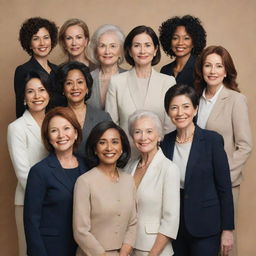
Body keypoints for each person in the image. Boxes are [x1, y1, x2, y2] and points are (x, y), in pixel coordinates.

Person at [161, 84, 234, 256]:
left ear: (195, 109)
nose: (180, 113)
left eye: (186, 107)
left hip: (206, 226)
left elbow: (224, 188)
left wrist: (228, 230)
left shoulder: (212, 141)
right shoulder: (165, 144)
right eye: (174, 108)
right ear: (168, 112)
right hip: (175, 228)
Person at [194, 45, 253, 256]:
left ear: (226, 70)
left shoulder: (236, 100)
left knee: (225, 244)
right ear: (201, 69)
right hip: (197, 183)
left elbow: (245, 145)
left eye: (219, 66)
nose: (213, 71)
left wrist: (222, 176)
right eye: (208, 65)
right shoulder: (194, 100)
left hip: (224, 183)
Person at [24, 107, 88, 256]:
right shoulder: (39, 172)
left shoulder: (87, 166)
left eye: (66, 128)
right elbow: (31, 222)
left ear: (76, 132)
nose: (61, 135)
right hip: (52, 249)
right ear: (48, 137)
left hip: (84, 249)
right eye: (54, 131)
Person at [106, 25, 176, 152]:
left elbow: (170, 127)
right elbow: (112, 126)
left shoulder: (168, 82)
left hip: (159, 155)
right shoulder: (116, 82)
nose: (142, 51)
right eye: (137, 45)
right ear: (130, 51)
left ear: (155, 50)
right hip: (126, 157)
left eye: (148, 45)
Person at [73, 120, 137, 256]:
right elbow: (80, 231)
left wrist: (124, 252)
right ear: (95, 149)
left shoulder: (128, 180)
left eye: (115, 142)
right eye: (102, 142)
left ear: (122, 148)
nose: (109, 148)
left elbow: (133, 223)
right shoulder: (84, 182)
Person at [7, 71, 50, 256]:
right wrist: (49, 197)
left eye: (41, 90)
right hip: (29, 201)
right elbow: (23, 172)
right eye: (30, 91)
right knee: (30, 251)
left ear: (49, 93)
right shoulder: (16, 127)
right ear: (24, 97)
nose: (37, 96)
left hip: (56, 201)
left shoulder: (55, 122)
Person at [126, 110, 180, 256]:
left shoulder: (169, 169)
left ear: (159, 136)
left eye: (149, 131)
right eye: (138, 132)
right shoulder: (129, 167)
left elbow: (171, 220)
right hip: (128, 246)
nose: (143, 137)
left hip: (155, 250)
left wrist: (153, 254)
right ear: (132, 136)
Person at [56, 61, 111, 157]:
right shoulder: (56, 118)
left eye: (80, 82)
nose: (75, 87)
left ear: (87, 88)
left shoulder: (102, 118)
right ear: (63, 89)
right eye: (69, 83)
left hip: (96, 170)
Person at [14, 17, 63, 118]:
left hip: (59, 126)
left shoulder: (58, 70)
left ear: (51, 40)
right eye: (36, 39)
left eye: (46, 37)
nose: (42, 43)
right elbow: (20, 108)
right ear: (29, 44)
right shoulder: (23, 70)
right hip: (35, 128)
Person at [159, 15, 206, 88]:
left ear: (194, 42)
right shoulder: (165, 70)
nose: (180, 43)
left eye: (186, 38)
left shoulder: (200, 68)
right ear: (169, 41)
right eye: (175, 38)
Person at [87, 24, 126, 110]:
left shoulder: (130, 78)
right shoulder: (87, 79)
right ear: (96, 51)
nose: (107, 51)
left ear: (121, 51)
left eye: (113, 46)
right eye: (102, 46)